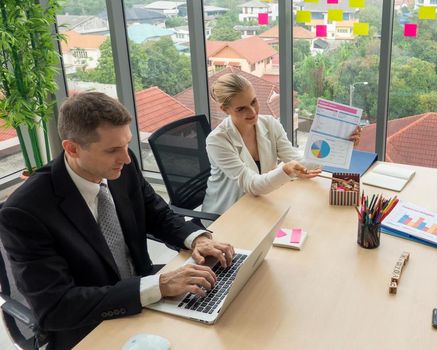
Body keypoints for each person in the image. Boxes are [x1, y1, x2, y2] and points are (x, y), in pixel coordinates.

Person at [0, 92, 236, 350]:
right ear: (72, 148)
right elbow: (56, 307)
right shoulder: (25, 211)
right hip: (90, 327)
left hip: (145, 302)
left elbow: (156, 212)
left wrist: (196, 238)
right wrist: (159, 285)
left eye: (127, 144)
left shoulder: (122, 165)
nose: (126, 158)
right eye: (113, 150)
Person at [202, 73, 362, 214]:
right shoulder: (217, 141)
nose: (252, 112)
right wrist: (286, 170)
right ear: (225, 110)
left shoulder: (270, 124)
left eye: (253, 102)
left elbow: (297, 161)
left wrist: (341, 147)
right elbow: (252, 185)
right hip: (227, 213)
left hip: (259, 204)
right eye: (241, 109)